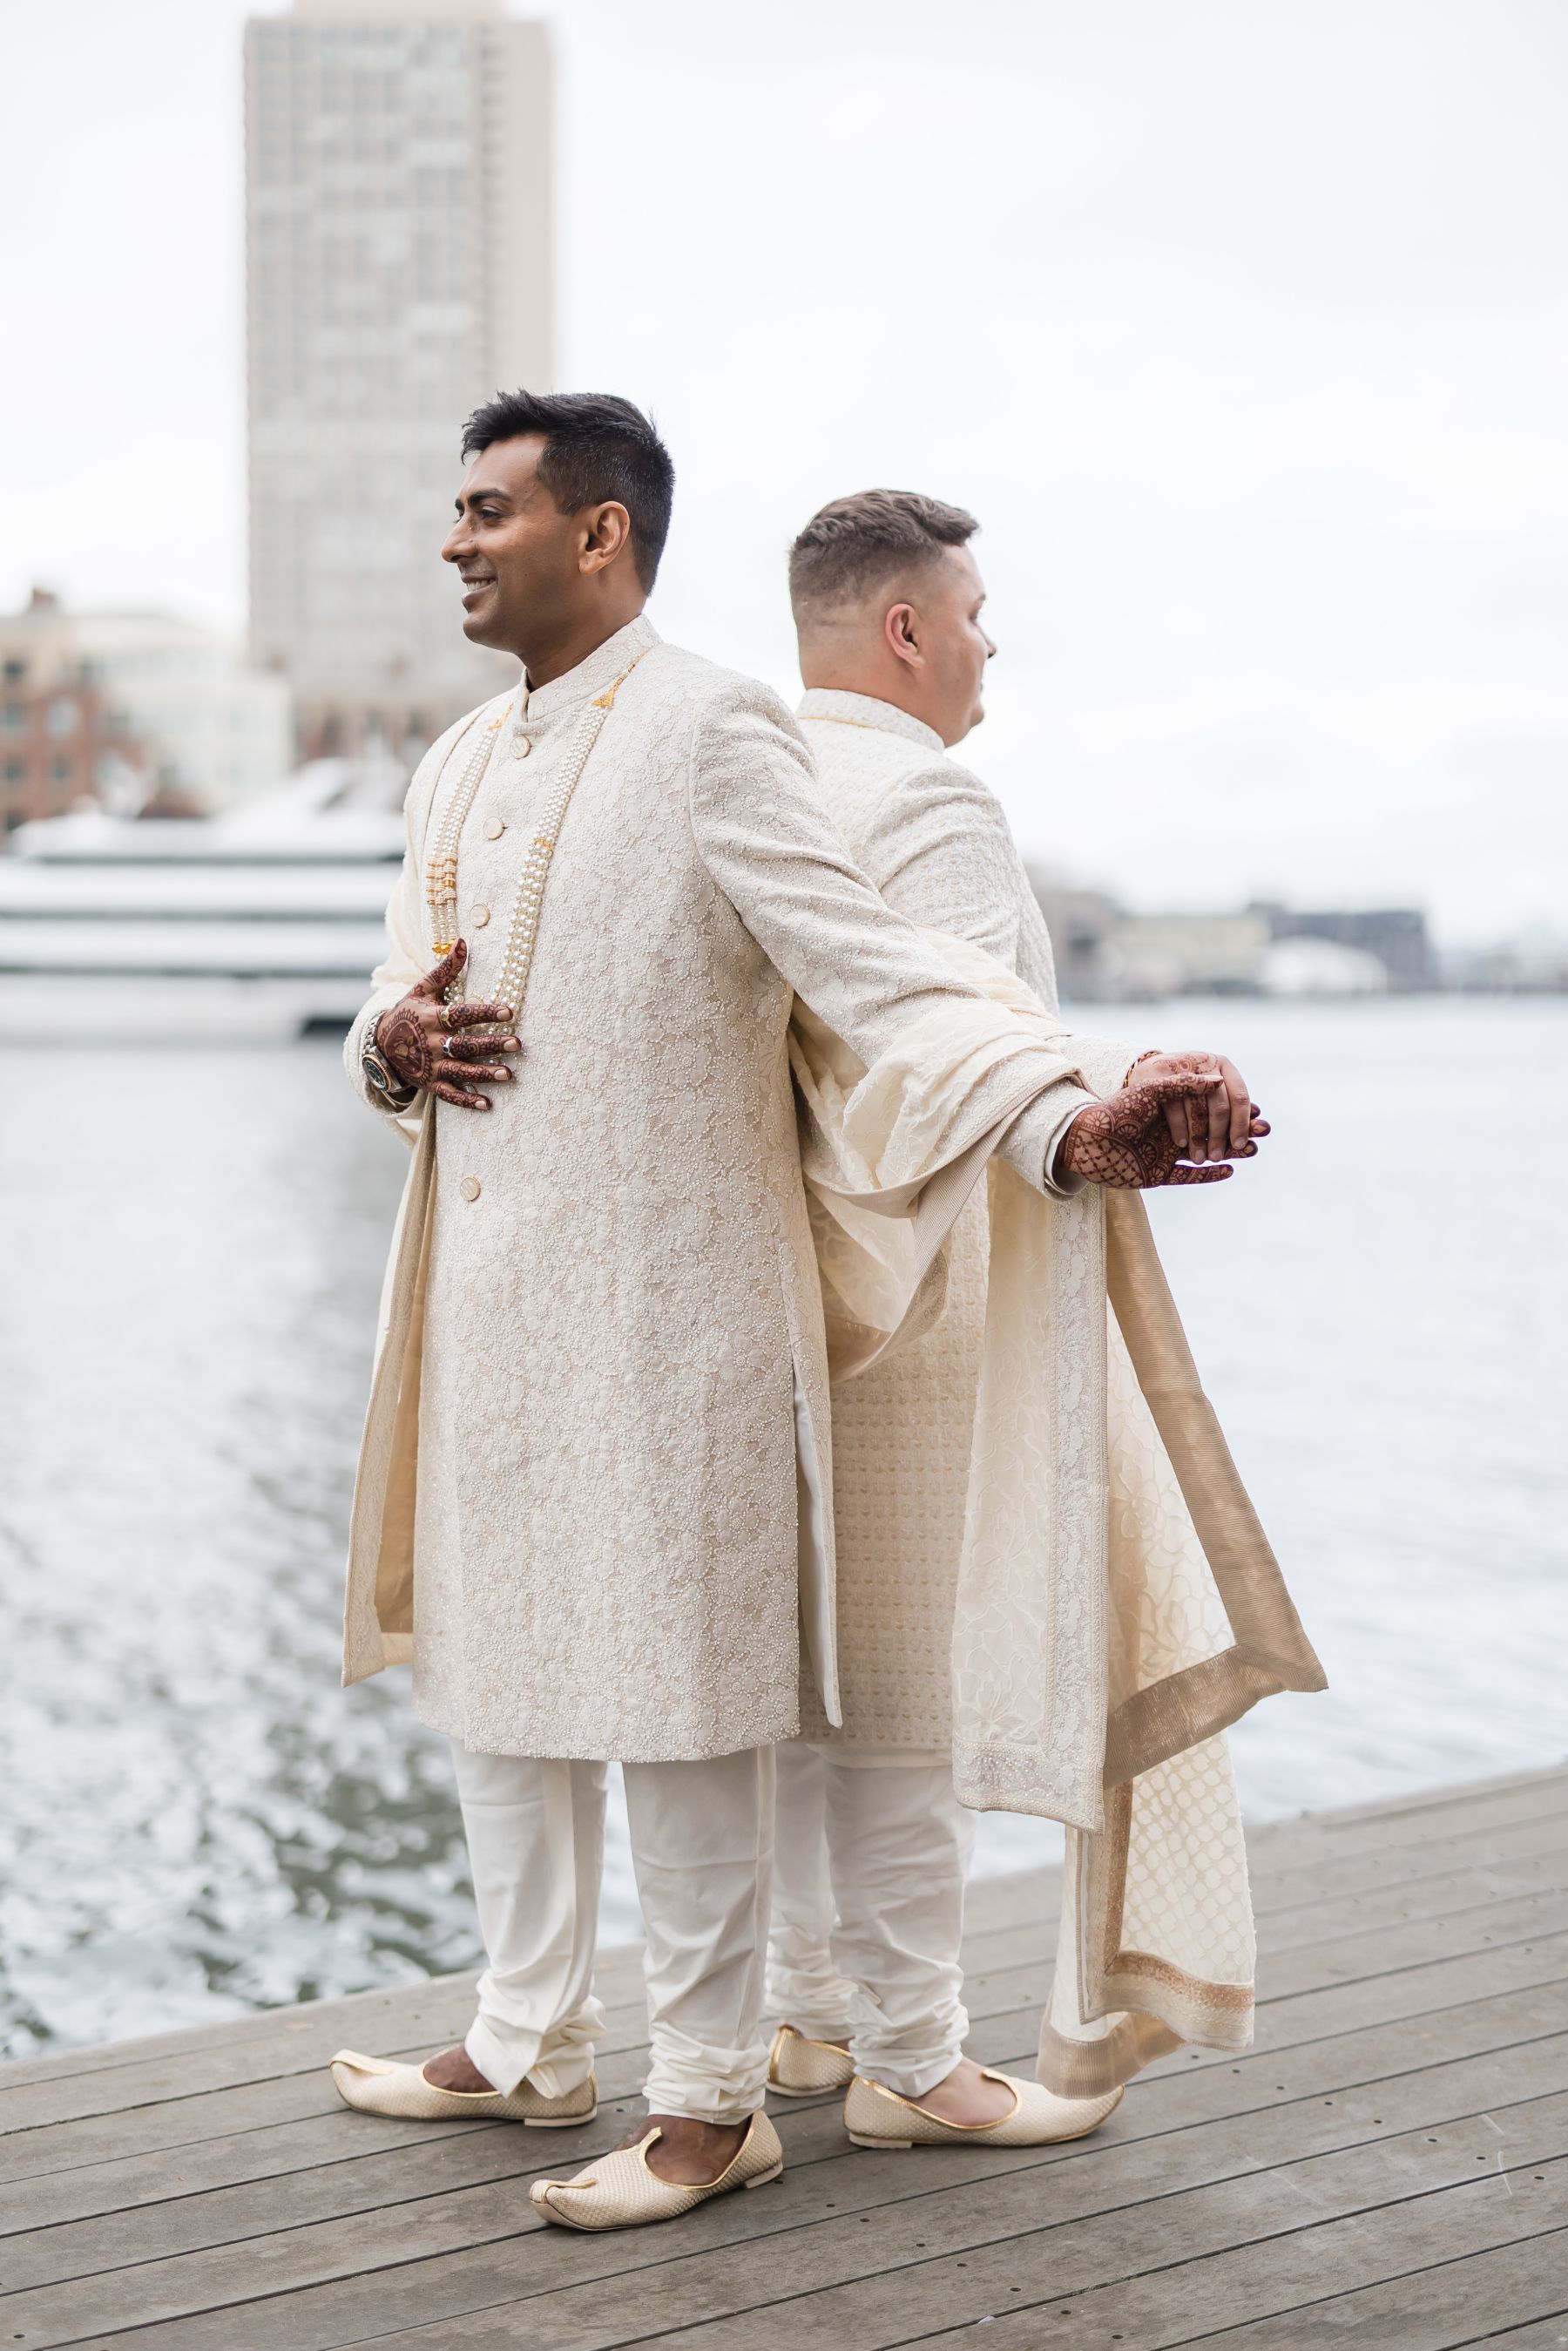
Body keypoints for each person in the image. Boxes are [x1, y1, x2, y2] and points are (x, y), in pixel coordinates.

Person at [326, 398, 1260, 2235]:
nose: (454, 542)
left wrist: (1068, 1111)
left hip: (679, 1324)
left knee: (681, 1711)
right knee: (502, 1686)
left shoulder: (709, 725)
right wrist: (389, 1044)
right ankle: (531, 2036)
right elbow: (393, 989)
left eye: (484, 510)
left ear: (599, 535)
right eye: (451, 509)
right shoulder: (449, 766)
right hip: (490, 1315)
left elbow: (880, 974)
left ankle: (708, 2108)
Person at [765, 488, 1308, 2146]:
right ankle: (918, 2065)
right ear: (906, 629)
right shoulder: (933, 803)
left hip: (782, 1292)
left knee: (801, 1693)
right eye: (978, 613)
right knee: (912, 1702)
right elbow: (952, 1036)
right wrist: (1090, 1101)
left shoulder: (758, 783)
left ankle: (804, 2019)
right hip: (923, 1298)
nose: (993, 644)